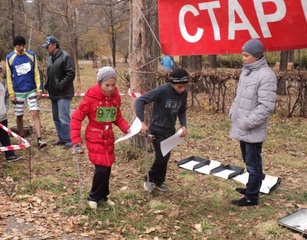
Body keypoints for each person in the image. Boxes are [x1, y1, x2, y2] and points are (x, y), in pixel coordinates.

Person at [70, 66, 130, 209]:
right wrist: (76, 140)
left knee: (108, 168)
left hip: (108, 137)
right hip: (94, 136)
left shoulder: (115, 97)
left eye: (113, 85)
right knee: (101, 168)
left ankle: (103, 196)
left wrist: (127, 128)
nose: (110, 88)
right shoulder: (90, 98)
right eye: (107, 85)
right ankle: (93, 196)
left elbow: (117, 116)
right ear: (100, 83)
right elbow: (76, 118)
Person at [229, 39, 277, 207]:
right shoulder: (247, 71)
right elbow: (239, 96)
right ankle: (252, 186)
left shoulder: (266, 76)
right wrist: (233, 111)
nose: (243, 58)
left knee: (254, 163)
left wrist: (248, 122)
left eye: (246, 55)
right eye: (242, 54)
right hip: (242, 124)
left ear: (257, 56)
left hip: (251, 128)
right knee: (248, 160)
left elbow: (266, 107)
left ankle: (251, 197)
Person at [135, 68, 189, 193]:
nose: (182, 89)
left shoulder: (184, 93)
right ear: (172, 83)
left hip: (170, 130)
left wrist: (183, 125)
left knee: (166, 156)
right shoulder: (162, 90)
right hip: (157, 129)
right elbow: (140, 101)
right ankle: (149, 179)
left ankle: (159, 181)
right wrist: (142, 122)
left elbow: (182, 110)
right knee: (161, 157)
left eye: (185, 86)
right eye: (179, 86)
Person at [6, 35, 47, 149]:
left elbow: (37, 73)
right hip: (18, 91)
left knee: (35, 113)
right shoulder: (10, 57)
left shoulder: (31, 55)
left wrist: (39, 89)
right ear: (15, 46)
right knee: (19, 115)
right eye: (18, 45)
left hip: (31, 89)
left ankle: (39, 139)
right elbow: (9, 77)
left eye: (22, 45)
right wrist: (11, 93)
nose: (20, 48)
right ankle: (22, 139)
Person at [42, 36, 75, 149]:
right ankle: (62, 138)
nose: (46, 48)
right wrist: (47, 85)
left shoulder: (66, 57)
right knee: (56, 117)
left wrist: (60, 85)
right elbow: (51, 74)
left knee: (64, 117)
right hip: (53, 93)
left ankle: (69, 139)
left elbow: (70, 74)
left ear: (54, 45)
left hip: (64, 93)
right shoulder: (50, 58)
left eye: (48, 46)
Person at [0, 65, 23, 163]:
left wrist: (5, 108)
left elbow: (6, 97)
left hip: (2, 115)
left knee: (4, 135)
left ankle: (10, 155)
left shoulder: (2, 84)